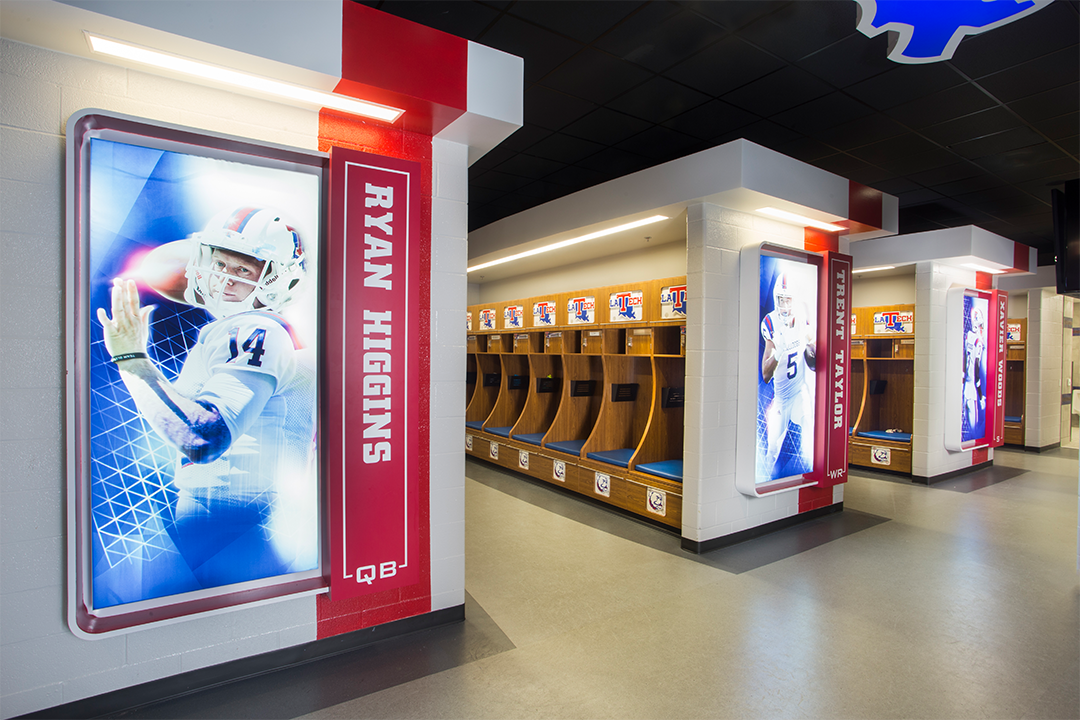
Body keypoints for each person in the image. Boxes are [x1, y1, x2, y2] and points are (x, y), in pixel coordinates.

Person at [97, 207, 317, 588]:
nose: (223, 279)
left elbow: (203, 437)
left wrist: (131, 359)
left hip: (235, 521)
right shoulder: (250, 328)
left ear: (278, 280)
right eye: (218, 262)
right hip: (244, 518)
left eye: (243, 270)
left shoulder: (255, 328)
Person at [760, 271, 816, 477]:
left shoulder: (803, 322)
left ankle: (810, 474)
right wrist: (779, 353)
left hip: (799, 391)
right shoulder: (771, 323)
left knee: (810, 428)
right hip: (781, 398)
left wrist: (809, 344)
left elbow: (814, 364)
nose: (784, 306)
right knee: (771, 451)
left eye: (788, 300)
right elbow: (765, 375)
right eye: (780, 300)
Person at [964, 304, 986, 434]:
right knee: (972, 426)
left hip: (966, 383)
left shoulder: (968, 336)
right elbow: (976, 368)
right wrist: (981, 395)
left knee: (968, 412)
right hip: (971, 385)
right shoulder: (978, 340)